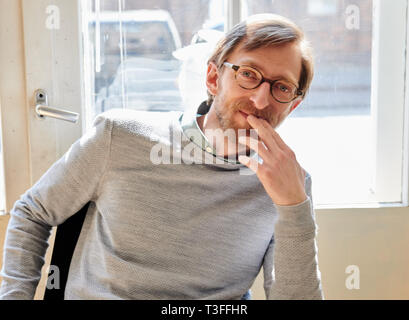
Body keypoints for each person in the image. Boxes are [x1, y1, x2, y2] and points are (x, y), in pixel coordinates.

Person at [0, 14, 323, 300]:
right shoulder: (120, 134)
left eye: (281, 87)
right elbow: (33, 212)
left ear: (291, 105)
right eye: (249, 74)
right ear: (213, 79)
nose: (260, 98)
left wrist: (293, 205)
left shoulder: (290, 184)